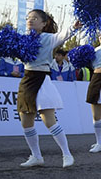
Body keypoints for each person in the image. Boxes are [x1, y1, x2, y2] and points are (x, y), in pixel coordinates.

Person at [16, 9, 79, 168]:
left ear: (44, 23)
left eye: (35, 18)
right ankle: (36, 156)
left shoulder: (47, 38)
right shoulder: (23, 39)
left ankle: (66, 154)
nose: (30, 20)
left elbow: (62, 36)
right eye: (29, 18)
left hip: (42, 79)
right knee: (26, 121)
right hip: (27, 79)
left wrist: (73, 27)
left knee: (49, 119)